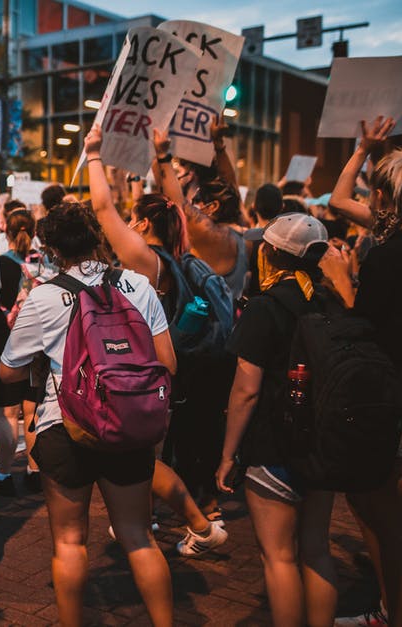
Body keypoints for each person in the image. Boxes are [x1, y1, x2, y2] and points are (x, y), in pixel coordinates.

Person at [0, 201, 177, 627]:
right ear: (98, 236)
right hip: (129, 424)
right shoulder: (138, 285)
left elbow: (8, 373)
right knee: (139, 538)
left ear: (52, 249)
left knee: (69, 542)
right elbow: (168, 363)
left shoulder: (43, 298)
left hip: (66, 425)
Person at [85, 128, 230, 555]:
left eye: (133, 220)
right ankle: (144, 518)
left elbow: (101, 206)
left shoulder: (149, 261)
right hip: (172, 373)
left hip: (151, 374)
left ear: (145, 223)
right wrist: (160, 157)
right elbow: (178, 206)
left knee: (142, 456)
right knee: (149, 451)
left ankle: (201, 526)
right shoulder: (183, 259)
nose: (126, 225)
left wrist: (94, 155)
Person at [216, 213, 339, 626]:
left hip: (274, 443)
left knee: (280, 558)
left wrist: (228, 454)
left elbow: (245, 390)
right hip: (324, 442)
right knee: (317, 550)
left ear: (269, 253)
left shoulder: (265, 307)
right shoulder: (332, 301)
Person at [327, 116, 402, 625]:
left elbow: (364, 331)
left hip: (398, 391)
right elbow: (340, 200)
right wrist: (365, 148)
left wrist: (342, 282)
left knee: (385, 515)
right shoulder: (397, 236)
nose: (370, 198)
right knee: (387, 512)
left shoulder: (390, 255)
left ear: (389, 199)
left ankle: (395, 613)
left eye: (377, 191)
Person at [0, 208, 44, 497]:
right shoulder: (43, 263)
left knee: (6, 414)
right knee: (32, 412)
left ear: (6, 231)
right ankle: (35, 472)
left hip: (5, 343)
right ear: (33, 230)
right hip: (39, 346)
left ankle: (4, 475)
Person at [151, 130, 250, 302]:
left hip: (207, 327)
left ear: (213, 207)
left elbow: (179, 204)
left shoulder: (211, 235)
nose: (193, 205)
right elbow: (230, 184)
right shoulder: (241, 230)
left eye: (196, 201)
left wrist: (162, 156)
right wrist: (218, 146)